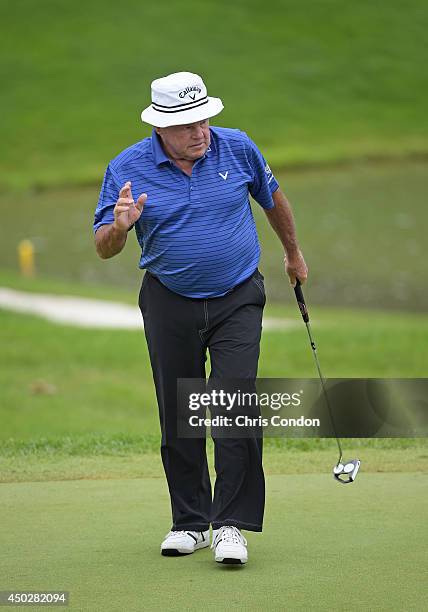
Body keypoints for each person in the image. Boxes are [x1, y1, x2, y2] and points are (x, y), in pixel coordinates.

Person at [93, 72, 308, 566]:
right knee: (179, 412)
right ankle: (189, 522)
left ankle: (230, 524)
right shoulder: (126, 168)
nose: (200, 131)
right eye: (188, 124)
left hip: (238, 296)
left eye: (204, 118)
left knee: (233, 404)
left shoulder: (236, 148)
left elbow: (272, 198)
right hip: (169, 299)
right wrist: (121, 229)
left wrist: (293, 253)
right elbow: (103, 247)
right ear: (161, 128)